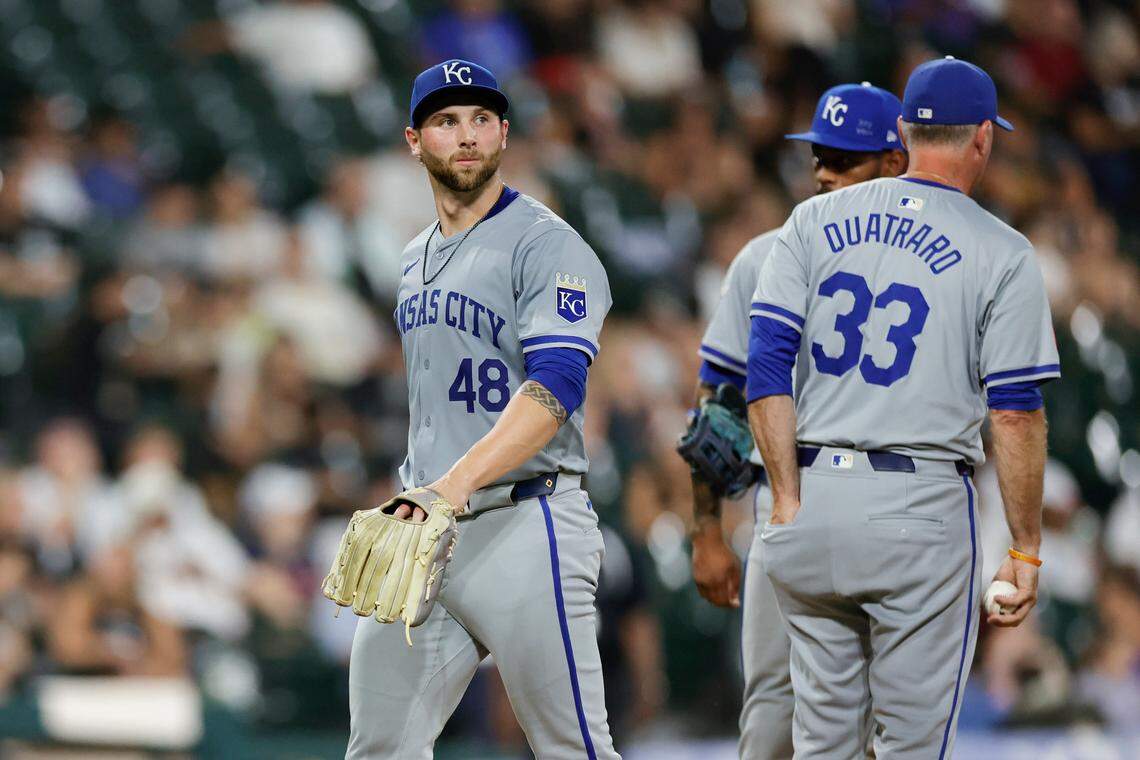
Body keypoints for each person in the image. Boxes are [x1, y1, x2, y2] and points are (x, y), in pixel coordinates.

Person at [747, 56, 1059, 758]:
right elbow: (1013, 411)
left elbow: (765, 368)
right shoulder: (1002, 251)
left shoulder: (810, 219)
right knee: (909, 747)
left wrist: (788, 497)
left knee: (823, 743)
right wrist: (1025, 547)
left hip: (813, 494)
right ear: (983, 136)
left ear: (904, 132)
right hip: (918, 509)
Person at [345, 59, 619, 759]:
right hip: (428, 531)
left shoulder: (547, 242)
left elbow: (557, 386)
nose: (465, 135)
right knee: (378, 748)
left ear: (502, 132)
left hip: (527, 524)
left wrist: (449, 487)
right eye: (444, 120)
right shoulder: (412, 257)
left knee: (572, 748)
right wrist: (425, 493)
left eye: (480, 119)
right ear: (414, 141)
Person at [684, 81, 906, 759]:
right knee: (775, 717)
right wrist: (707, 532)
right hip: (789, 505)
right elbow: (717, 404)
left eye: (846, 159)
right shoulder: (763, 257)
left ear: (895, 164)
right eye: (819, 157)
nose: (824, 174)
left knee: (888, 719)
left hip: (899, 503)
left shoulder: (928, 264)